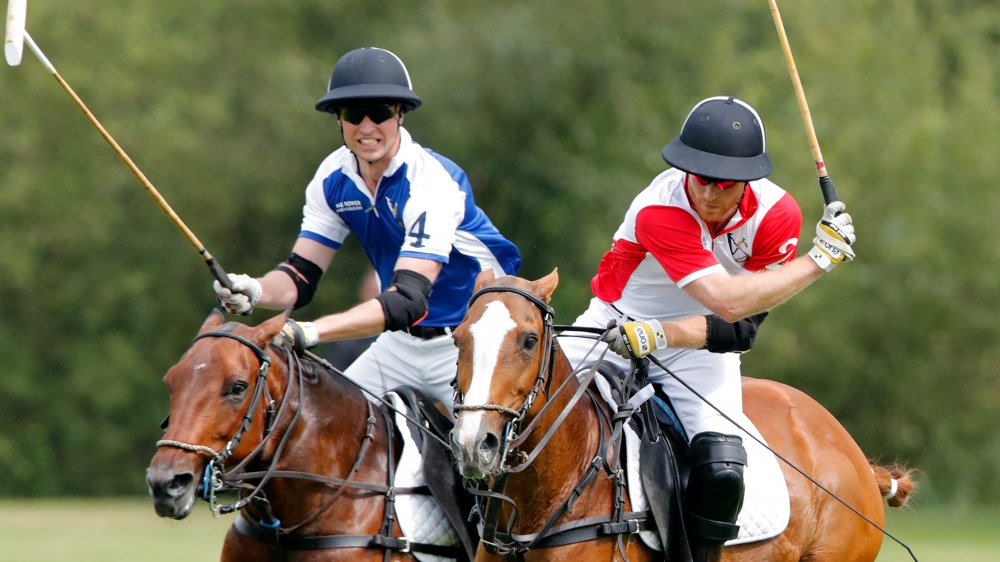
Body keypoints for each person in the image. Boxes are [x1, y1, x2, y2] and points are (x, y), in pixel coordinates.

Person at [557, 96, 854, 562]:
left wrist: (663, 336)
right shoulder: (660, 208)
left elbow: (741, 329)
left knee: (721, 470)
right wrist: (819, 261)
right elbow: (727, 299)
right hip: (611, 327)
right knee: (517, 422)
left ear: (749, 181)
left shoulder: (777, 216)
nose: (709, 194)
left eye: (725, 184)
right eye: (700, 179)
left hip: (697, 351)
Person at [214, 47, 521, 410]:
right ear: (338, 119)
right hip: (401, 344)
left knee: (485, 459)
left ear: (400, 115)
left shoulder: (433, 183)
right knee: (318, 424)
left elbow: (408, 300)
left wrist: (311, 331)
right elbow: (300, 276)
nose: (366, 127)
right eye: (353, 114)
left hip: (474, 340)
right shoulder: (332, 179)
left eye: (378, 113)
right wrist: (255, 289)